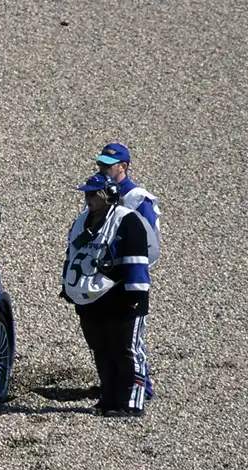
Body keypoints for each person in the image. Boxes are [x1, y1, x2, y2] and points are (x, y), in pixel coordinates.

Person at [61, 173, 151, 417]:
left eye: (93, 194)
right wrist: (67, 286)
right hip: (91, 298)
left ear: (107, 195)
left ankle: (132, 404)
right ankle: (108, 398)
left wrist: (136, 295)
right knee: (101, 350)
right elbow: (72, 255)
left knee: (127, 351)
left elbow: (136, 261)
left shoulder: (128, 221)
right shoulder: (81, 221)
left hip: (122, 298)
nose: (88, 198)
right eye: (87, 194)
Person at [96, 143, 159, 401]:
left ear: (123, 167)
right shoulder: (99, 191)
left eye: (107, 165)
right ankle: (115, 385)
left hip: (128, 277)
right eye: (100, 164)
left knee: (130, 340)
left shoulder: (139, 199)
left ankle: (142, 389)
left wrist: (134, 275)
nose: (102, 168)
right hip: (102, 277)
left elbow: (149, 242)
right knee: (106, 336)